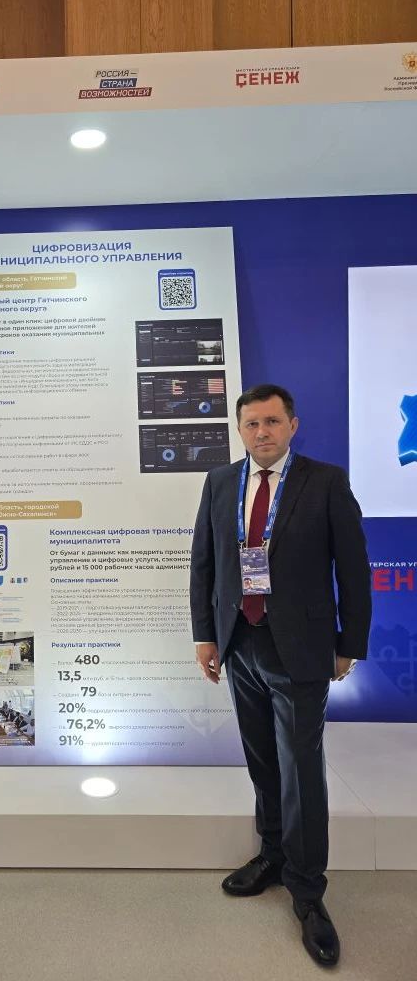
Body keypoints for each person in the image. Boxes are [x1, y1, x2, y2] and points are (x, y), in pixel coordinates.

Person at [190, 384, 371, 968]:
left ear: (292, 425)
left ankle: (308, 891)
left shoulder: (325, 482)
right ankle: (272, 854)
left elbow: (354, 569)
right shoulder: (221, 482)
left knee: (301, 770)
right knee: (263, 760)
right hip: (240, 640)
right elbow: (204, 563)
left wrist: (349, 643)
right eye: (251, 423)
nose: (261, 432)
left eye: (272, 421)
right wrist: (206, 635)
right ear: (240, 430)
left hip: (301, 647)